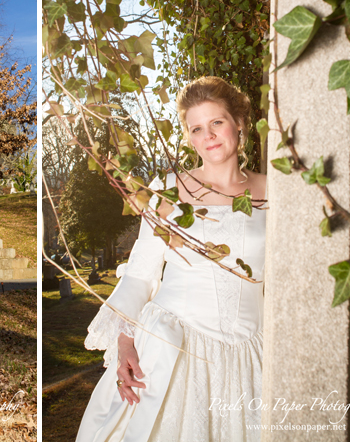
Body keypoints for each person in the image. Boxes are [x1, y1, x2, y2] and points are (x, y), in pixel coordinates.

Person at [76, 76, 267, 441]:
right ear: (189, 137)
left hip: (250, 354)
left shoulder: (272, 191)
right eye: (197, 128)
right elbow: (140, 274)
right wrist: (125, 342)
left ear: (239, 123)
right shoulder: (168, 191)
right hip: (175, 347)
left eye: (217, 122)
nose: (208, 135)